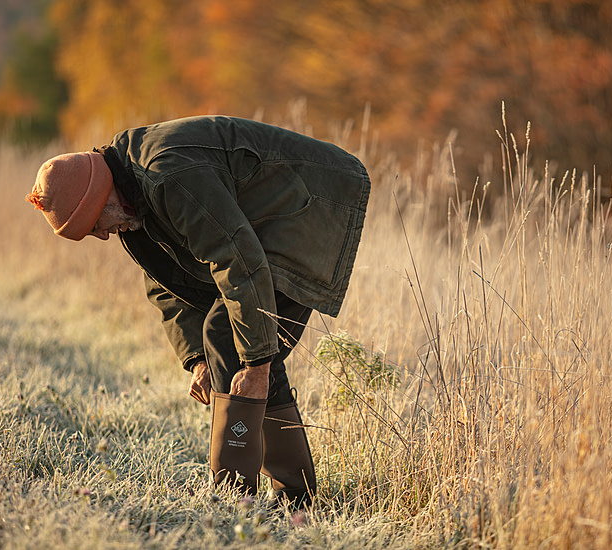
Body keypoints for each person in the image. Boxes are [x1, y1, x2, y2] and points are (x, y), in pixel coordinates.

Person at [26, 116, 371, 507]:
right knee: (232, 346)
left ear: (100, 196)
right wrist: (196, 360)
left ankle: (235, 497)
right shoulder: (131, 199)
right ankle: (294, 498)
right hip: (264, 226)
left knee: (233, 341)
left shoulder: (166, 175)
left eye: (93, 225)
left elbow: (236, 258)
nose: (102, 235)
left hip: (314, 200)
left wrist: (256, 366)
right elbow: (166, 284)